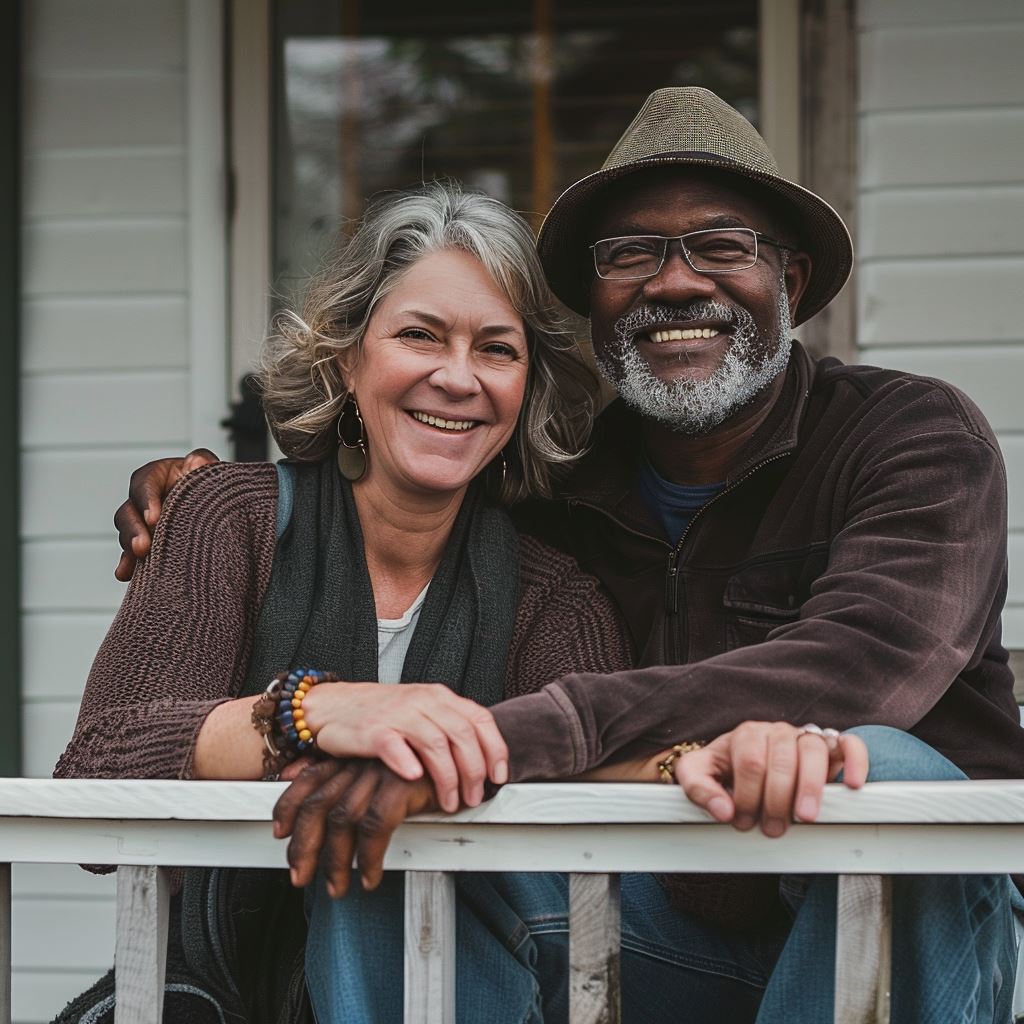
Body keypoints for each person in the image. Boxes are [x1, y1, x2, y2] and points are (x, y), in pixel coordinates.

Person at [116, 88, 1024, 1022]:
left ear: (789, 281)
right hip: (665, 925)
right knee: (397, 833)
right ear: (594, 302)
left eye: (722, 246)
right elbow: (396, 471)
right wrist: (194, 492)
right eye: (631, 253)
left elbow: (863, 660)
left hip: (917, 931)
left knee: (885, 769)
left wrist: (499, 738)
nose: (675, 284)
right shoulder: (559, 493)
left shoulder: (911, 435)